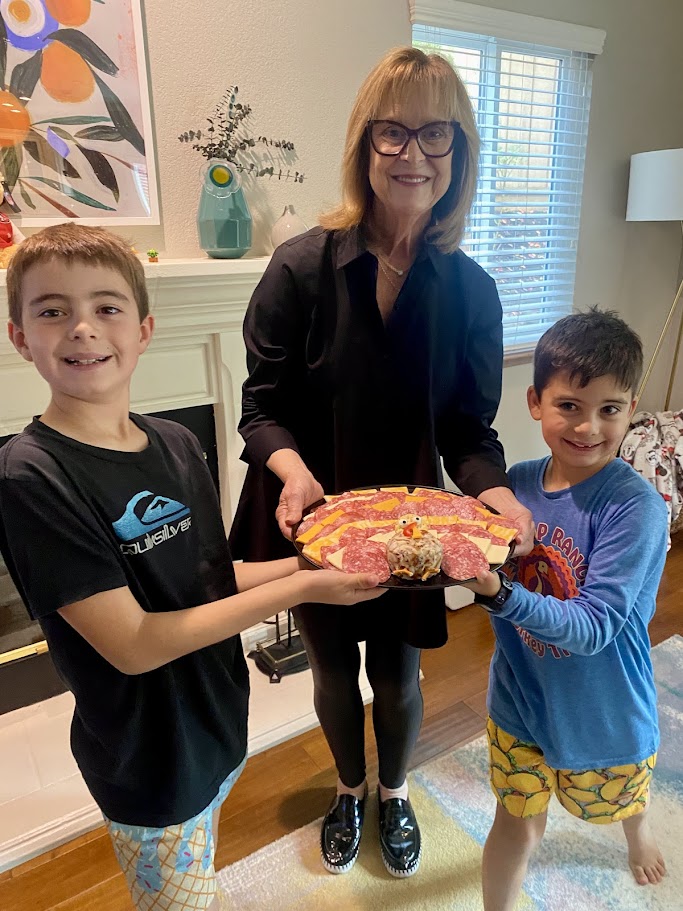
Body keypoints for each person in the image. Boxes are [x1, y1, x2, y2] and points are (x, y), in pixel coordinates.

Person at [0, 224, 385, 911]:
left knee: (199, 876)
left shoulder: (177, 443)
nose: (83, 327)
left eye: (107, 306)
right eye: (52, 310)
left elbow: (209, 580)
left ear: (143, 330)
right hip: (149, 764)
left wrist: (311, 561)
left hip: (215, 725)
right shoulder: (33, 475)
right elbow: (134, 644)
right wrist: (304, 585)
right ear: (20, 337)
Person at [229, 46, 534, 878]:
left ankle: (392, 791)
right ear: (364, 144)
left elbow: (467, 430)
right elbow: (259, 408)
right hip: (310, 510)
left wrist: (499, 495)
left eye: (436, 133)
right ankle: (347, 787)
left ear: (458, 151)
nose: (412, 153)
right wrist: (292, 470)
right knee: (332, 670)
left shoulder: (471, 290)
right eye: (391, 131)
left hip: (412, 530)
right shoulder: (299, 266)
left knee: (397, 677)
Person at [463, 309, 668, 910]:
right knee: (516, 824)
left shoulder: (636, 509)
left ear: (632, 409)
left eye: (610, 409)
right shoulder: (515, 488)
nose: (588, 427)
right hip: (519, 702)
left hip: (605, 713)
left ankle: (638, 830)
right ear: (536, 402)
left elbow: (595, 627)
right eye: (570, 405)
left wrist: (499, 594)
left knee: (623, 800)